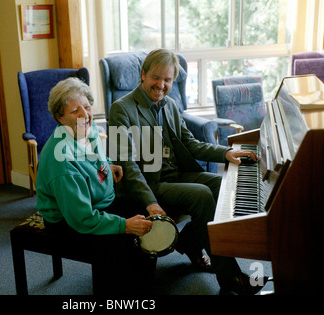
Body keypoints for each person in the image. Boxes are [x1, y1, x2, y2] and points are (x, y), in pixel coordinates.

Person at [108, 49, 266, 295]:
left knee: (221, 185)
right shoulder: (121, 109)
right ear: (143, 75)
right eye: (156, 77)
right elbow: (125, 164)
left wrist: (225, 153)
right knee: (202, 195)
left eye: (167, 80)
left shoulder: (170, 105)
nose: (161, 85)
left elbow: (190, 143)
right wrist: (150, 203)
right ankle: (230, 276)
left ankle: (190, 241)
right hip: (149, 183)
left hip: (174, 174)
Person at [35, 77, 156, 295]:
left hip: (99, 203)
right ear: (60, 118)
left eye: (88, 107)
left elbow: (93, 158)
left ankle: (140, 287)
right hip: (68, 222)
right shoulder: (61, 161)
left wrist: (107, 165)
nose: (84, 115)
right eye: (74, 111)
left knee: (147, 221)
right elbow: (81, 218)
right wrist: (124, 225)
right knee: (123, 246)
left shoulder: (87, 131)